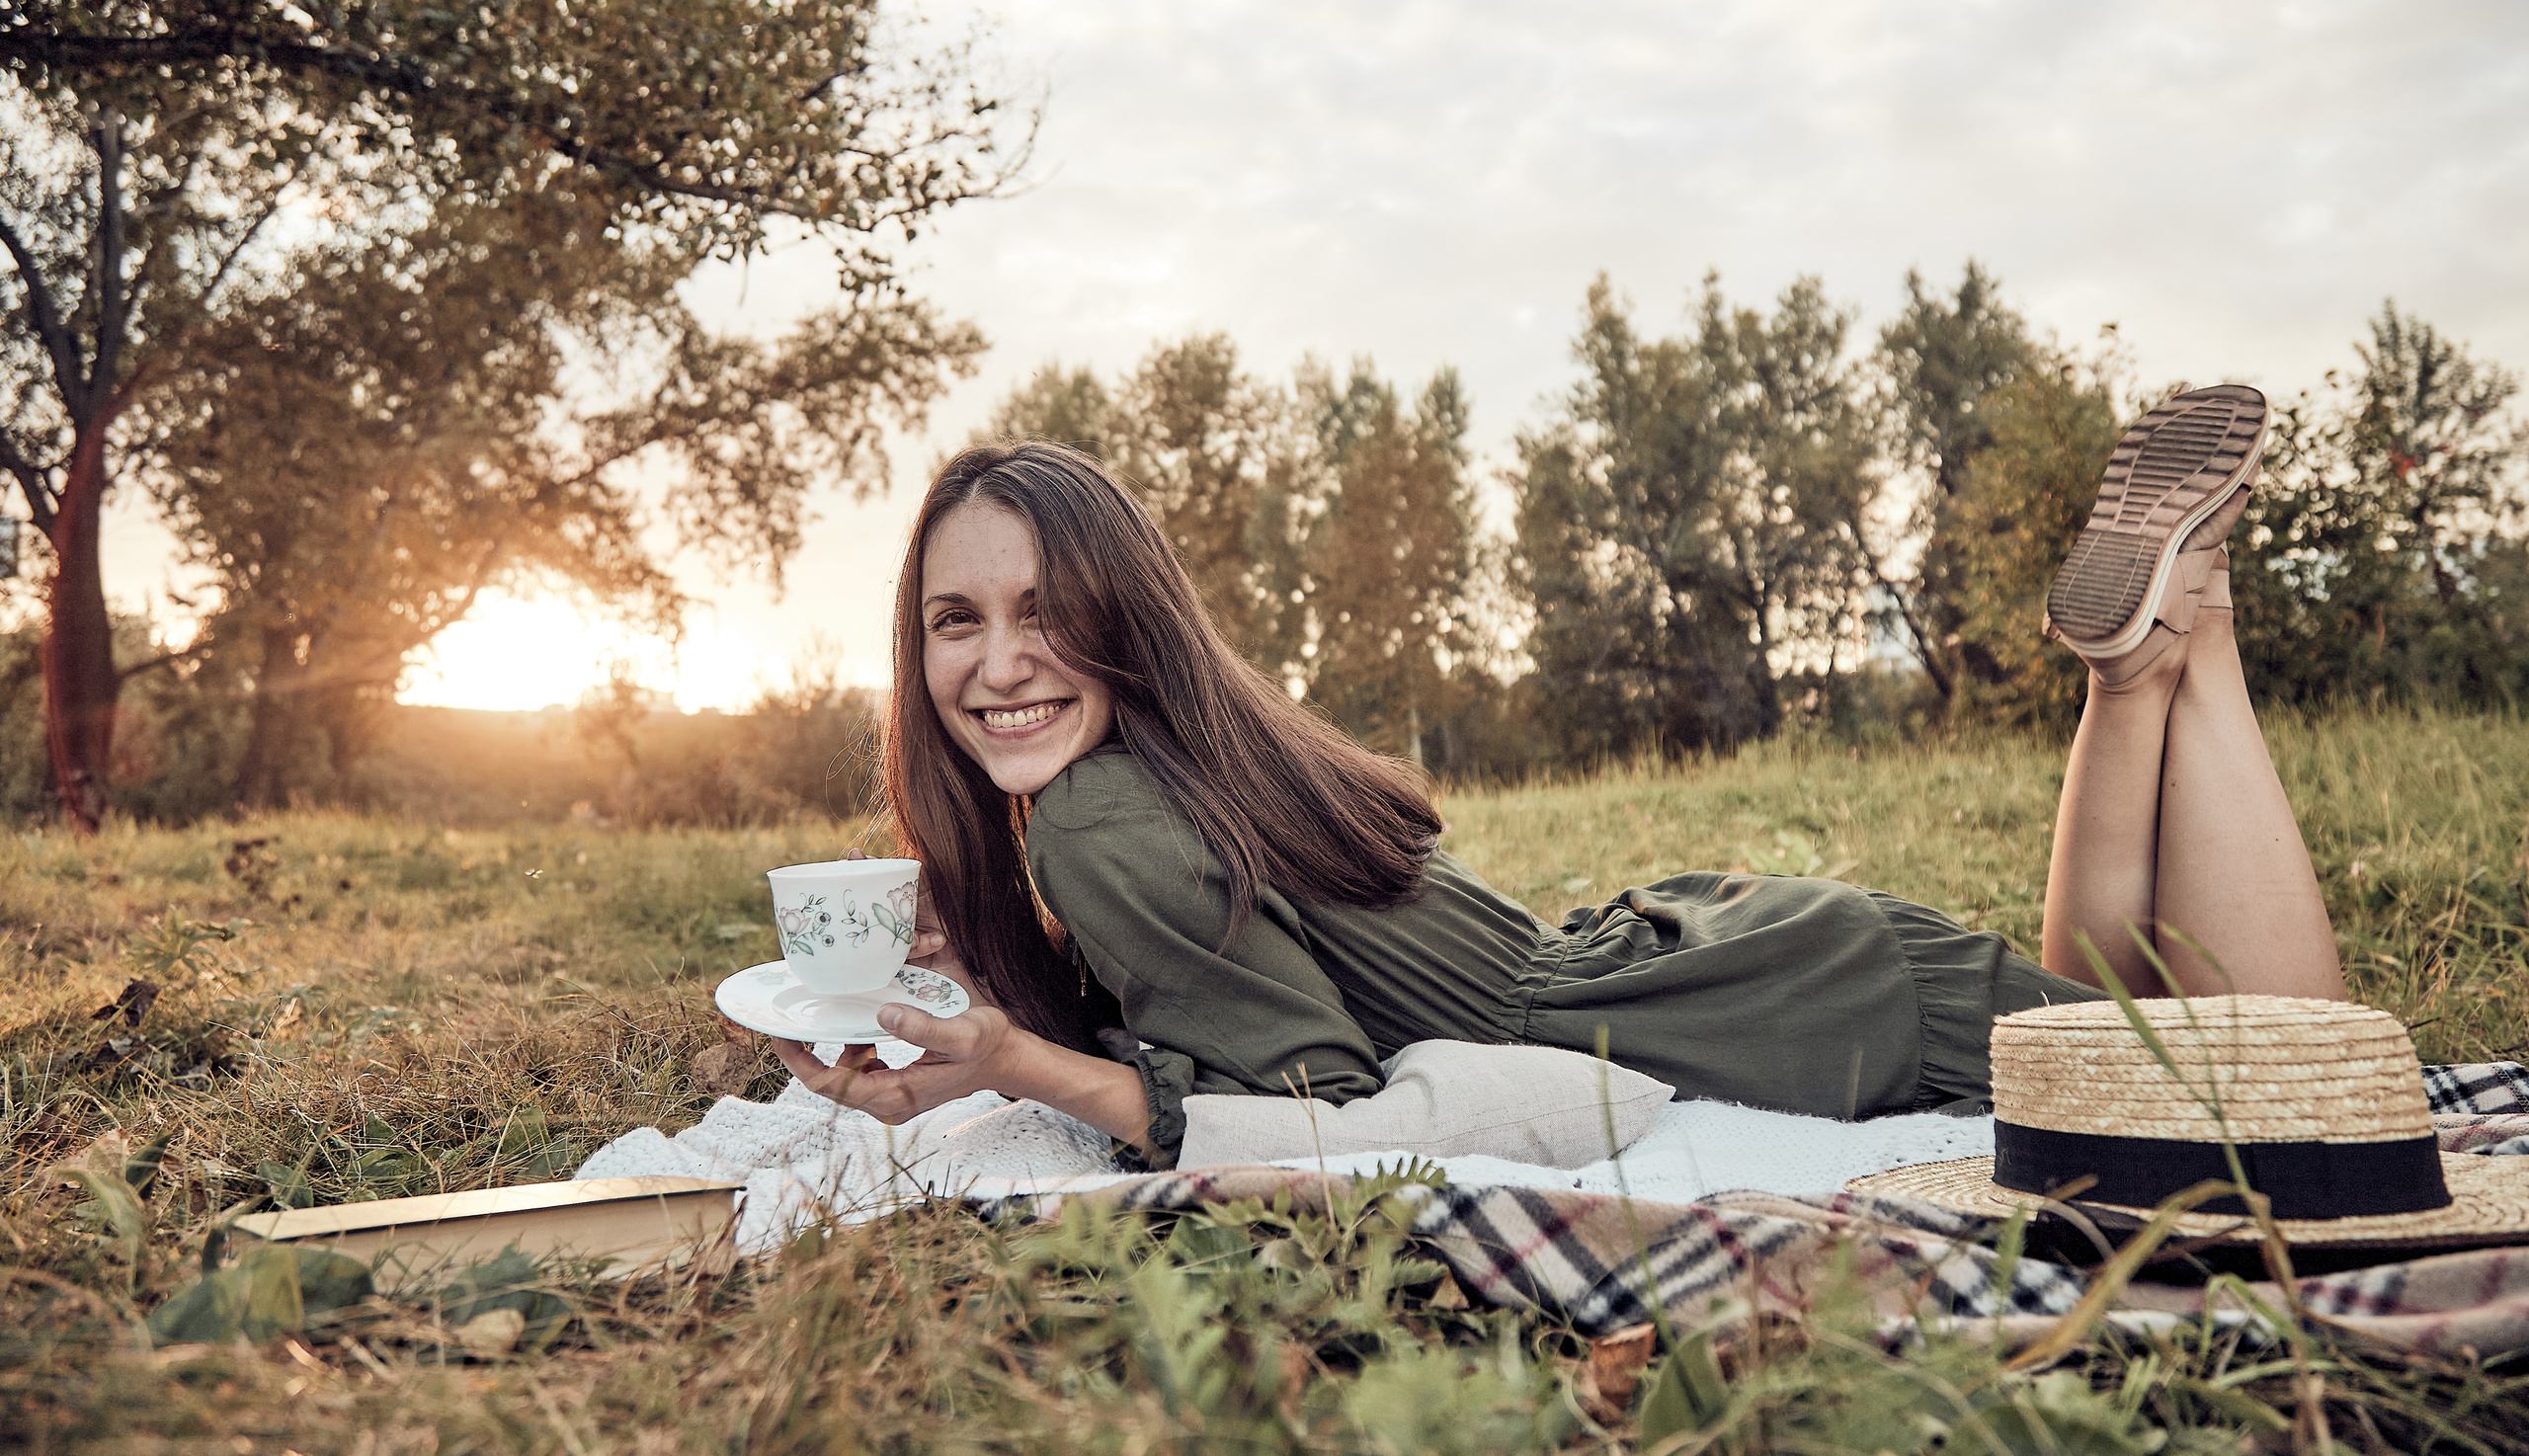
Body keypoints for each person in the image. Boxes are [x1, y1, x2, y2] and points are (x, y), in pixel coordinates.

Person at [771, 384, 2347, 1166]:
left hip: (1765, 1027)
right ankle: (2163, 654)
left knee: (2305, 1087)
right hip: (1739, 969)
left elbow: (1313, 1114)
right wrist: (1006, 996)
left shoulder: (1105, 817)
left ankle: (2163, 656)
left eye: (1047, 613)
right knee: (2113, 1014)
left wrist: (1022, 1067)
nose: (997, 664)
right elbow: (1236, 1007)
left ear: (1126, 619)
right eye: (954, 623)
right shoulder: (1176, 769)